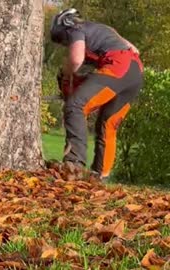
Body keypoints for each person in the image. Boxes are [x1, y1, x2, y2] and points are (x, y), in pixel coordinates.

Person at [50, 8, 144, 180]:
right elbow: (134, 49)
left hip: (118, 65)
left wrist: (66, 73)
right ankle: (100, 176)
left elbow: (76, 60)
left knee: (75, 105)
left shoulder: (75, 29)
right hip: (135, 71)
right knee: (107, 124)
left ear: (64, 25)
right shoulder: (104, 30)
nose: (66, 43)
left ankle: (74, 164)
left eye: (64, 40)